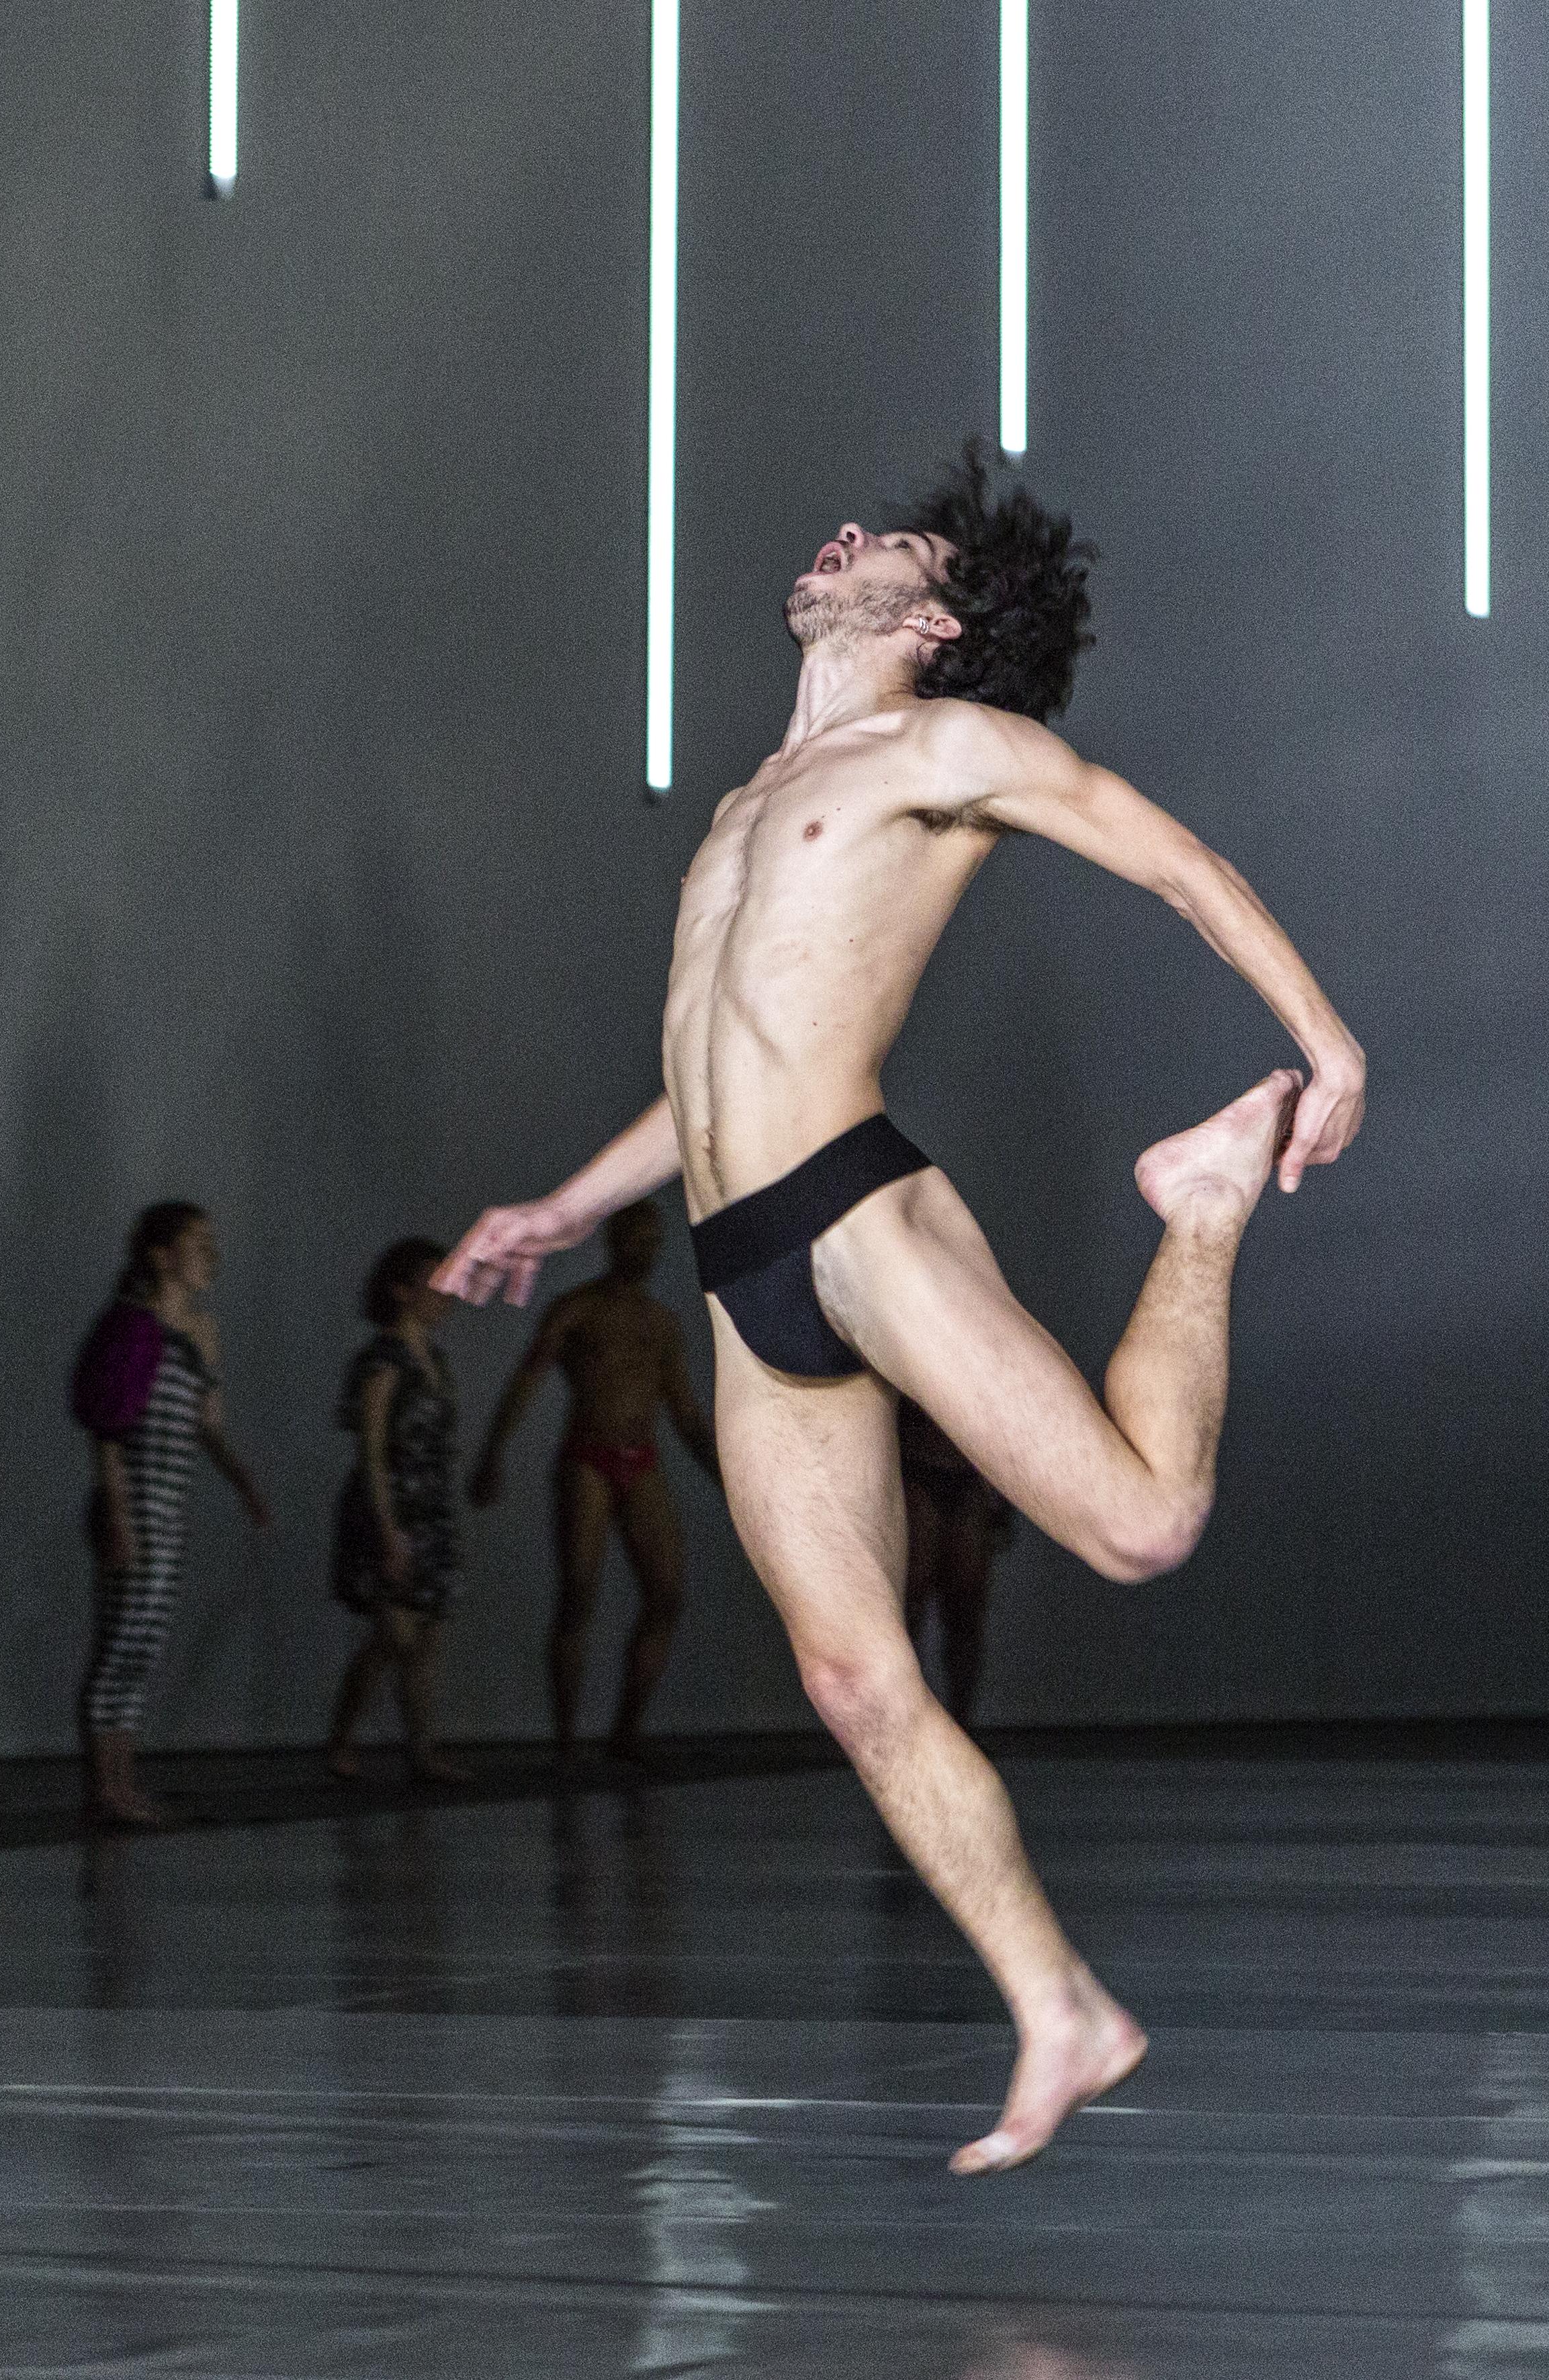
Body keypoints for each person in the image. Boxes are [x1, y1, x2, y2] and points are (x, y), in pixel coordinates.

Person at [434, 445, 1366, 2172]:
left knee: (1141, 1526)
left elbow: (1168, 862)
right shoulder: (737, 810)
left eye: (891, 546)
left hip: (857, 1213)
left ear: (932, 620)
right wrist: (566, 1205)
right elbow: (705, 1068)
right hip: (737, 1266)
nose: (841, 534)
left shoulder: (946, 750)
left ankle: (1202, 1207)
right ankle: (1058, 2007)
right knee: (855, 1678)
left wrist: (1324, 1039)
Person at [468, 1198, 720, 1761]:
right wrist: (493, 1453)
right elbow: (526, 1381)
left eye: (653, 1238)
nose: (646, 1248)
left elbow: (684, 1413)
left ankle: (626, 1731)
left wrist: (731, 1482)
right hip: (588, 1459)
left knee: (667, 1593)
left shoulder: (660, 1324)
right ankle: (565, 1739)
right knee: (579, 1591)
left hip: (641, 1457)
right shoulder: (575, 1310)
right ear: (614, 1239)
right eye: (636, 1235)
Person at [74, 1202, 270, 1826]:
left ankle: (120, 1786)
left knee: (142, 1647)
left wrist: (243, 1480)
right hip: (134, 1501)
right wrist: (119, 1511)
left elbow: (207, 1425)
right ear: (162, 1255)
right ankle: (108, 1789)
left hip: (169, 1504)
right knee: (122, 1644)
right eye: (197, 1242)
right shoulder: (135, 1325)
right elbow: (107, 1425)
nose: (210, 1253)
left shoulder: (201, 1333)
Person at [326, 1239, 474, 1786]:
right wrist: (387, 1528)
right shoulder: (383, 1360)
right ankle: (343, 1736)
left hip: (430, 1508)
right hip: (388, 1508)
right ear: (402, 1290)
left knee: (424, 1638)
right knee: (395, 1634)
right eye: (434, 1284)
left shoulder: (433, 1359)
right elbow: (371, 1450)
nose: (446, 1295)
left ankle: (421, 1749)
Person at [899, 1398, 1012, 1730]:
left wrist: (1001, 1500)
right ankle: (911, 1725)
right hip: (918, 1470)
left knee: (965, 1611)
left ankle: (963, 1725)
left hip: (966, 1478)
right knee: (911, 1608)